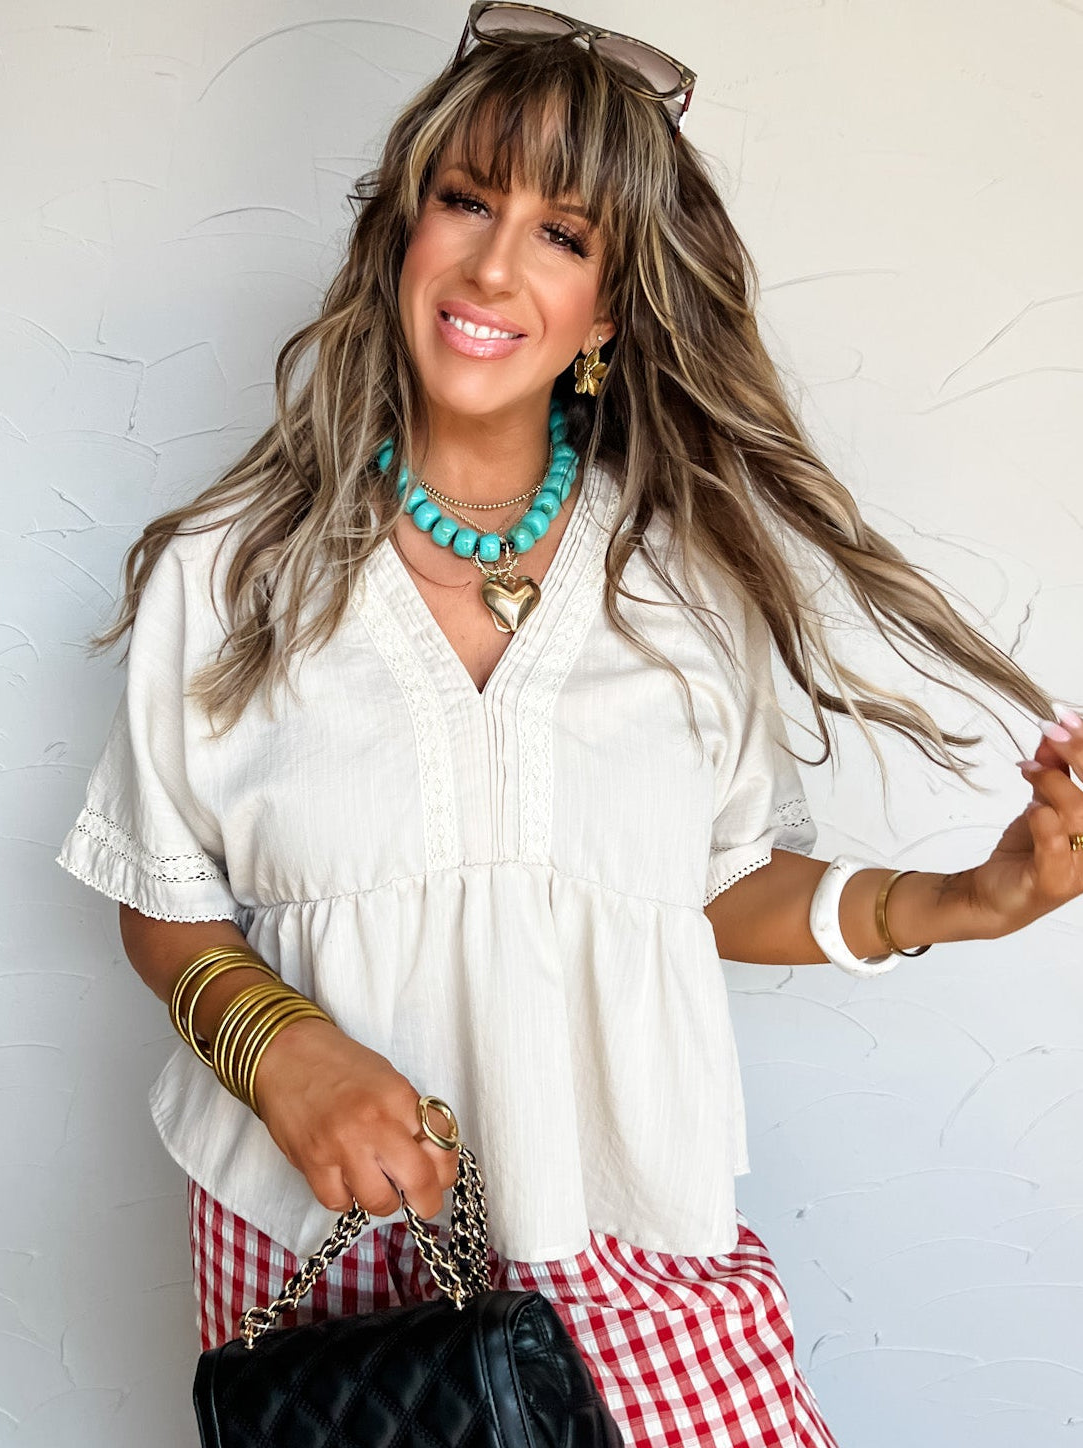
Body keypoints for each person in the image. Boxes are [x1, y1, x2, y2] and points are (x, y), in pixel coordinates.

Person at [55, 6, 1083, 1445]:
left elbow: (720, 885)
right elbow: (164, 904)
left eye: (563, 232)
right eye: (466, 200)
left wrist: (972, 899)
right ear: (400, 234)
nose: (491, 264)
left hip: (629, 1240)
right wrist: (282, 1047)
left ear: (608, 309)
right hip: (318, 1254)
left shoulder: (685, 588)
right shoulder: (232, 573)